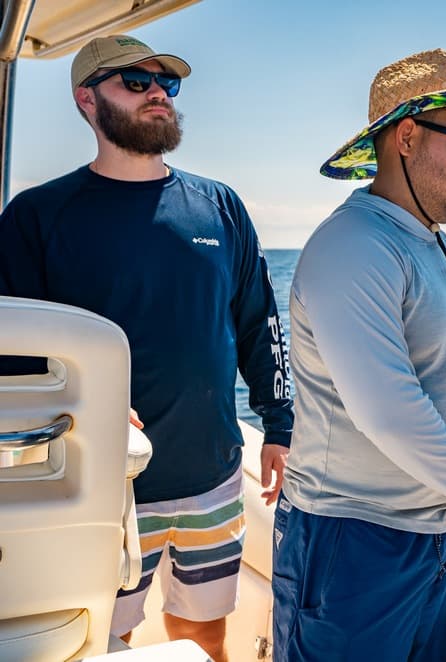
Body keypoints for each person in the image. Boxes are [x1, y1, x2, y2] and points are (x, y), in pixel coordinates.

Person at [0, 35, 294, 661]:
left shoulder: (220, 207)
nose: (157, 92)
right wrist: (93, 405)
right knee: (108, 639)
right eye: (134, 81)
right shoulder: (36, 217)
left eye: (166, 83)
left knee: (204, 635)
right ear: (88, 101)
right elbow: (15, 355)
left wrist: (279, 422)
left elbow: (257, 321)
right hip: (102, 483)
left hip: (214, 475)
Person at [272, 48, 446, 662]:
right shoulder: (353, 246)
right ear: (406, 136)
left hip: (439, 541)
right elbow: (389, 411)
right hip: (349, 544)